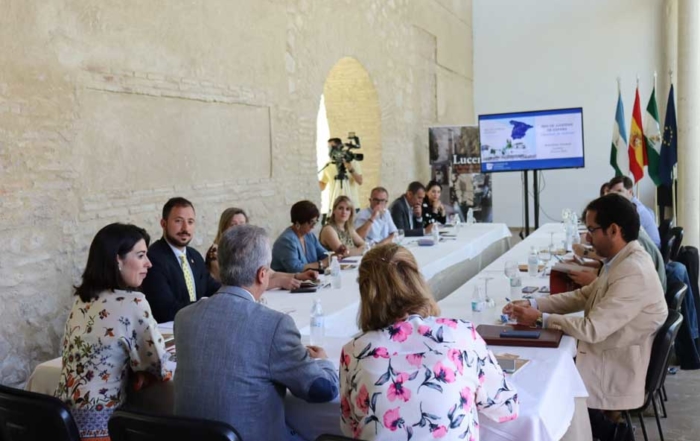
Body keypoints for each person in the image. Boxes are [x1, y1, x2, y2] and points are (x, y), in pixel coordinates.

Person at [504, 194, 667, 441]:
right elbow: (582, 296)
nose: (587, 238)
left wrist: (540, 319)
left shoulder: (633, 270)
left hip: (614, 365)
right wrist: (535, 304)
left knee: (544, 388)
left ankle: (613, 434)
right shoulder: (622, 260)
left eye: (592, 230)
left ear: (614, 230)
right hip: (607, 351)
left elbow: (592, 329)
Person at [174, 225, 339, 441]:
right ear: (262, 274)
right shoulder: (275, 325)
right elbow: (321, 389)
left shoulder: (184, 317)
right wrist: (324, 362)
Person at [340, 243, 518, 440]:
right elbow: (507, 408)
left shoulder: (354, 351)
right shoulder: (461, 335)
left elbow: (349, 426)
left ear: (365, 292)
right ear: (417, 280)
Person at [55, 223, 173, 441]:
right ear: (117, 259)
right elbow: (161, 367)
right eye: (140, 255)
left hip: (62, 425)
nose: (149, 263)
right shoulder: (133, 303)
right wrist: (142, 373)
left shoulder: (82, 299)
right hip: (103, 430)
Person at [141, 197, 221, 323]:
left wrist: (235, 294)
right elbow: (165, 309)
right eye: (178, 221)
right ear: (163, 223)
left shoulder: (194, 256)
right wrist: (206, 306)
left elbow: (212, 288)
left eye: (190, 222)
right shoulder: (153, 259)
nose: (185, 228)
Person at [205, 207, 318, 290]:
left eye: (242, 224)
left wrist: (299, 276)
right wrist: (278, 282)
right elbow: (237, 287)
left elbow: (270, 273)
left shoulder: (246, 249)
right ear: (223, 228)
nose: (239, 229)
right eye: (233, 225)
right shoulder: (216, 252)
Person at [271, 200, 332, 273]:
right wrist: (321, 264)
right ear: (298, 222)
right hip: (286, 283)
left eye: (315, 222)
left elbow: (324, 254)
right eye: (311, 222)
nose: (313, 226)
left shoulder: (309, 236)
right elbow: (295, 269)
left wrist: (335, 255)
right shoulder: (286, 241)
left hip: (308, 281)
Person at [608, 176, 660, 247]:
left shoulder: (635, 209)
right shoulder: (626, 206)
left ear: (630, 192)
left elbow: (622, 237)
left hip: (649, 249)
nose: (616, 195)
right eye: (612, 193)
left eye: (619, 191)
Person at [319, 137, 363, 209]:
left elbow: (360, 181)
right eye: (329, 147)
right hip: (335, 205)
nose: (330, 150)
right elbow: (323, 185)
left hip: (352, 205)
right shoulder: (329, 164)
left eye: (332, 147)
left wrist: (350, 169)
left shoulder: (353, 162)